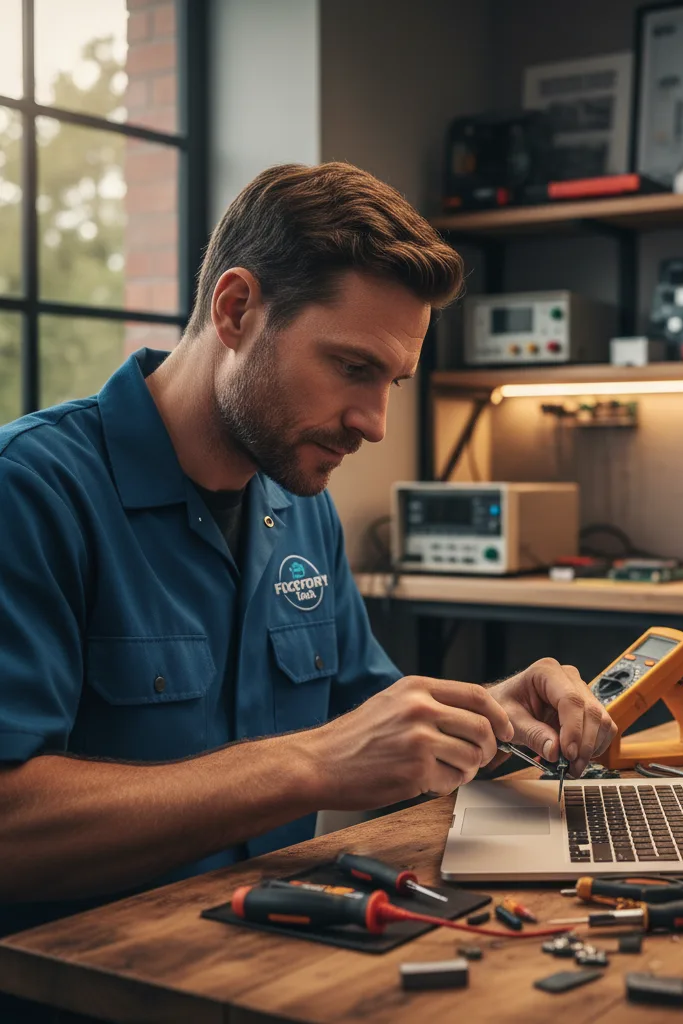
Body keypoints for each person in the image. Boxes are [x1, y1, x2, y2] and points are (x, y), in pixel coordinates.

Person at [0, 162, 615, 939]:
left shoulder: (297, 503)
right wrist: (312, 763)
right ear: (235, 310)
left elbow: (367, 718)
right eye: (353, 367)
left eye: (392, 379)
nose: (375, 422)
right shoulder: (29, 494)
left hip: (273, 953)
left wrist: (492, 716)